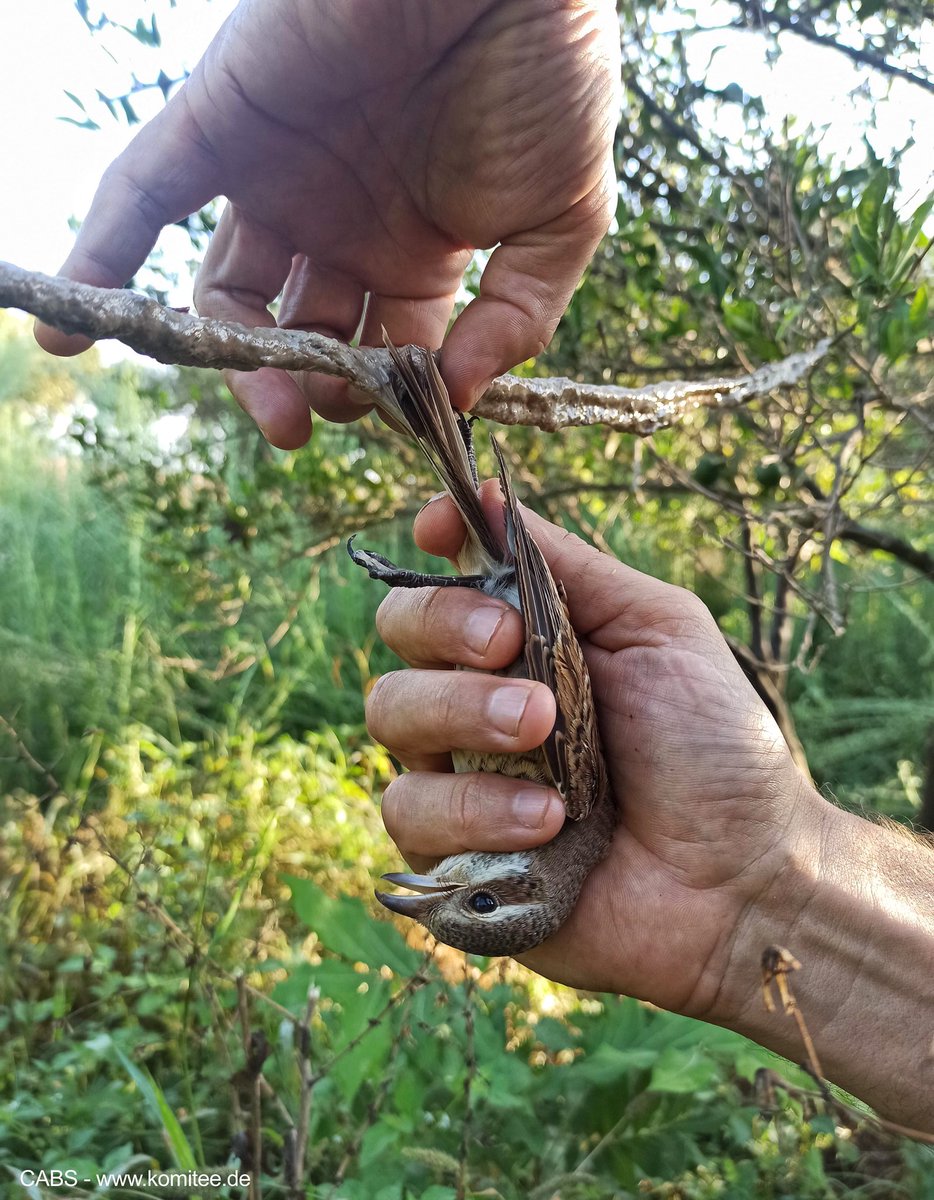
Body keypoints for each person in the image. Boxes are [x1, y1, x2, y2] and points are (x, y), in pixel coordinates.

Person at [36, 0, 934, 1134]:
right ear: (513, 882)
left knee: (476, 662)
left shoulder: (550, 832)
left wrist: (765, 888)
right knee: (490, 660)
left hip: (503, 579)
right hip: (519, 588)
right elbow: (544, 638)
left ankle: (430, 458)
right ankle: (432, 446)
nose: (434, 884)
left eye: (444, 892)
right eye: (467, 888)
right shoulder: (560, 812)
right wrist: (766, 877)